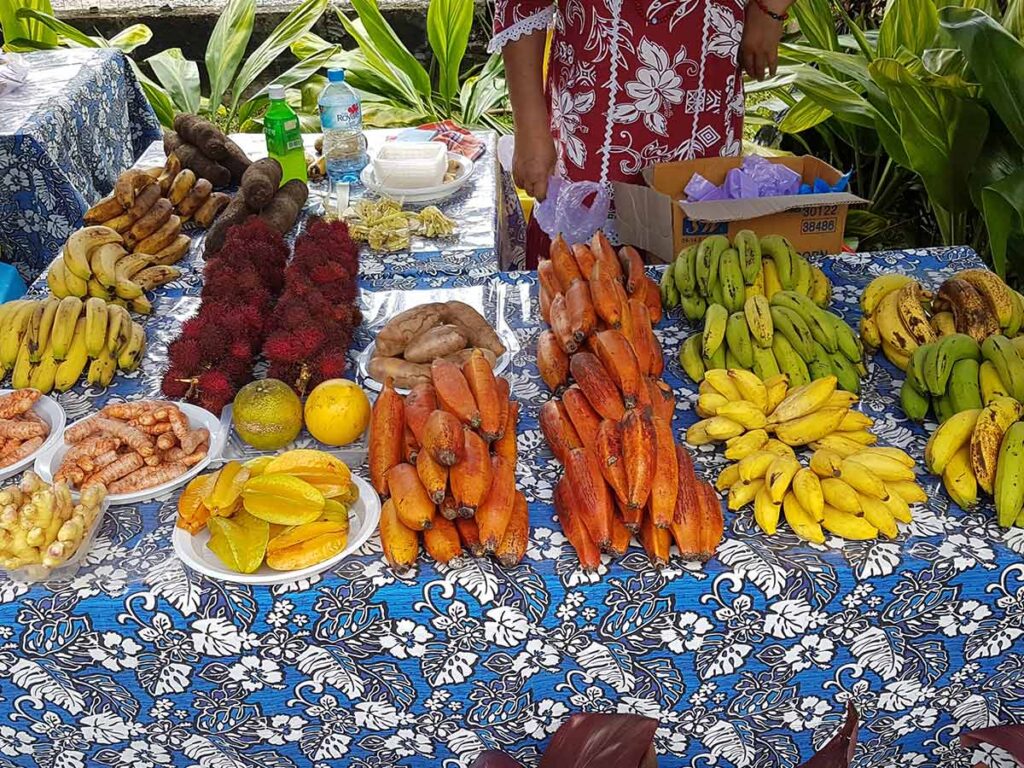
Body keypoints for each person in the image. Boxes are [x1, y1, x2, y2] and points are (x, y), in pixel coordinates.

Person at [490, 0, 789, 265]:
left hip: (705, 97)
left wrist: (770, 9)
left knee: (702, 269)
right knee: (585, 295)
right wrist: (530, 127)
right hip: (594, 114)